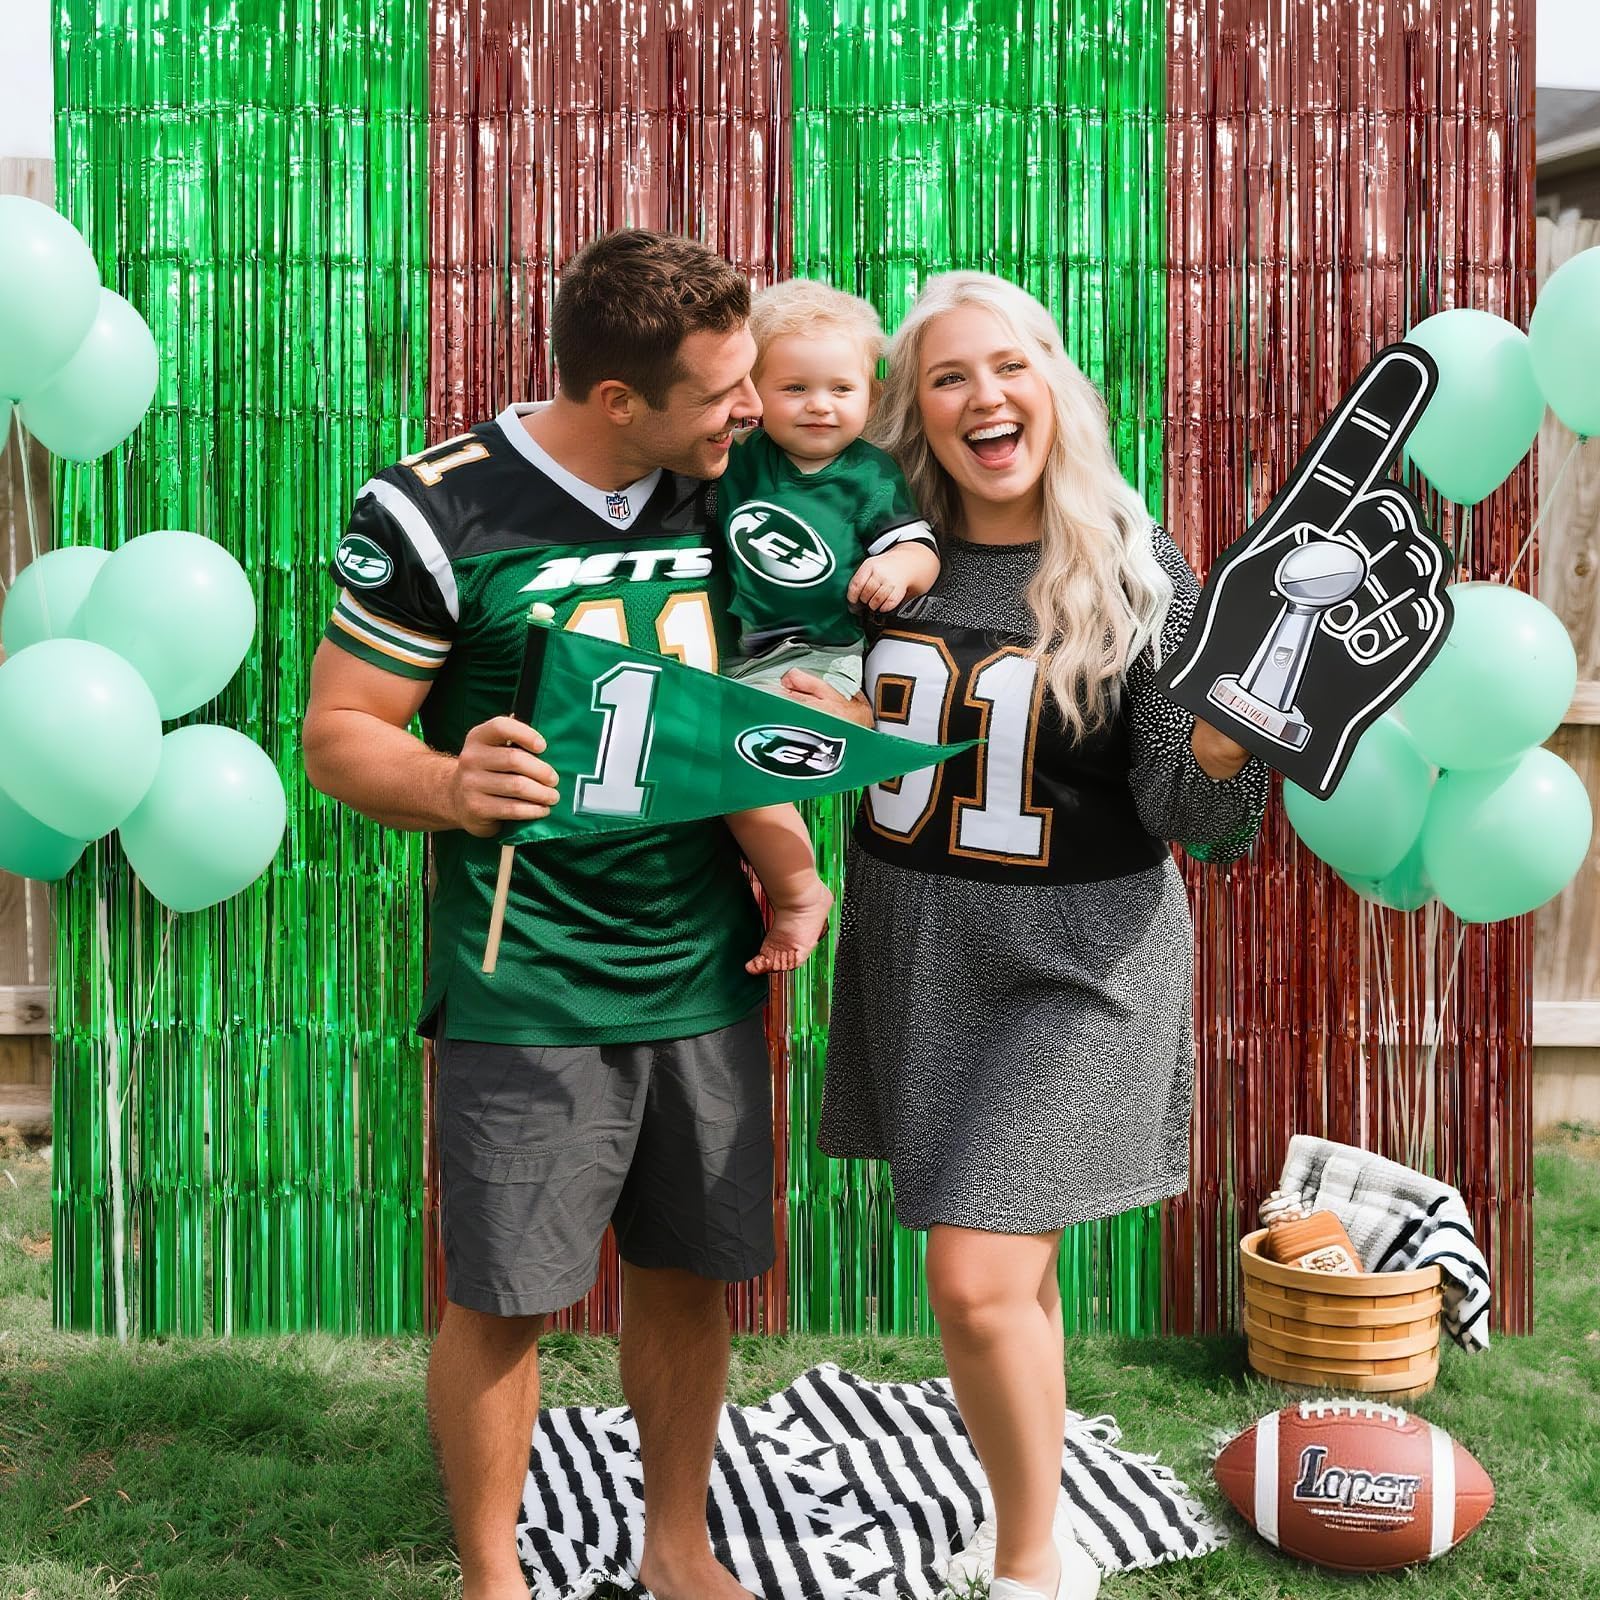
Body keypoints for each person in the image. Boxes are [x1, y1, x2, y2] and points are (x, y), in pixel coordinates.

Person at [301, 229, 865, 1600]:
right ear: (618, 399)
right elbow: (338, 733)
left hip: (701, 964)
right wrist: (449, 781)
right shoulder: (436, 509)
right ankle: (493, 1577)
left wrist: (801, 822)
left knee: (688, 1273)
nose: (752, 409)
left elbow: (752, 697)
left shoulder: (735, 493)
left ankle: (677, 1546)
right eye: (721, 391)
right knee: (504, 1297)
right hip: (528, 975)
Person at [817, 272, 1268, 1600]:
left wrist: (1226, 740)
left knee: (971, 1275)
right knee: (1006, 1273)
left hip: (1084, 962)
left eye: (1006, 366)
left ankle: (1031, 1565)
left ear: (1054, 384)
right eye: (947, 378)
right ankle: (1036, 1505)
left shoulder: (1137, 568)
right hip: (922, 952)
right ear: (916, 412)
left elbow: (1199, 818)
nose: (983, 397)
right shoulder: (875, 557)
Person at [718, 278, 941, 697]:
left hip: (821, 654)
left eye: (841, 389)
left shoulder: (869, 475)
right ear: (754, 392)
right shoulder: (737, 458)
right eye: (795, 388)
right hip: (730, 652)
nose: (820, 405)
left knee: (778, 712)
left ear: (871, 398)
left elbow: (920, 549)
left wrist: (897, 567)